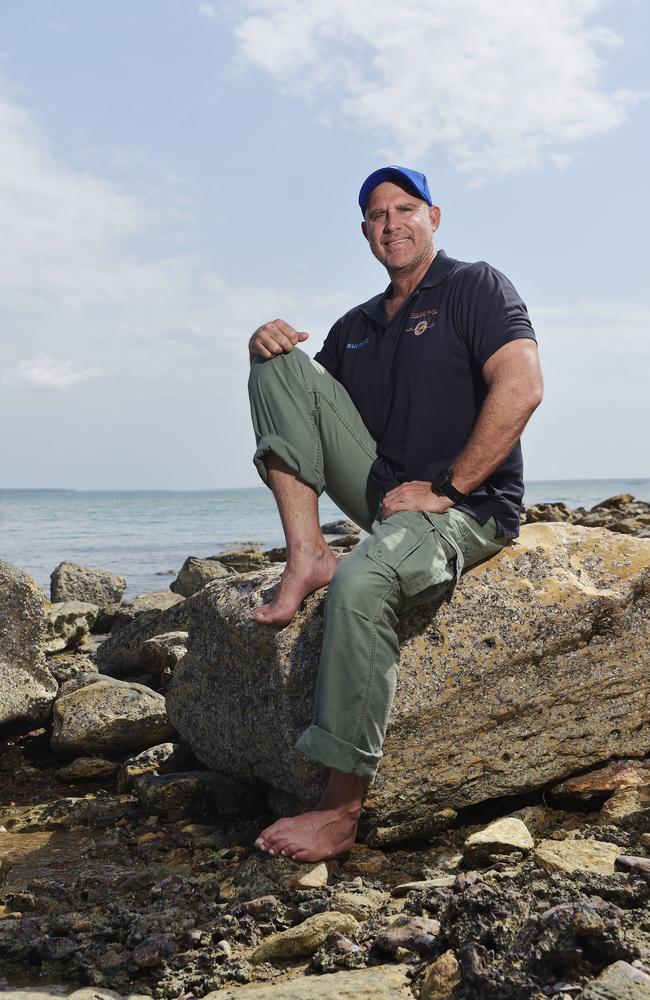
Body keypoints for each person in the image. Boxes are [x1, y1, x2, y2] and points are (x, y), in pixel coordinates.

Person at [246, 165, 543, 863]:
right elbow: (304, 416)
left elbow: (523, 387)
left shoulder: (476, 286)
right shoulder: (356, 326)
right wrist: (268, 341)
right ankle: (307, 553)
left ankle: (339, 808)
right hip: (382, 487)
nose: (391, 223)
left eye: (404, 209)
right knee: (276, 363)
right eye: (377, 215)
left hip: (465, 508)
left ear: (433, 217)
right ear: (365, 233)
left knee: (363, 584)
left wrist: (446, 487)